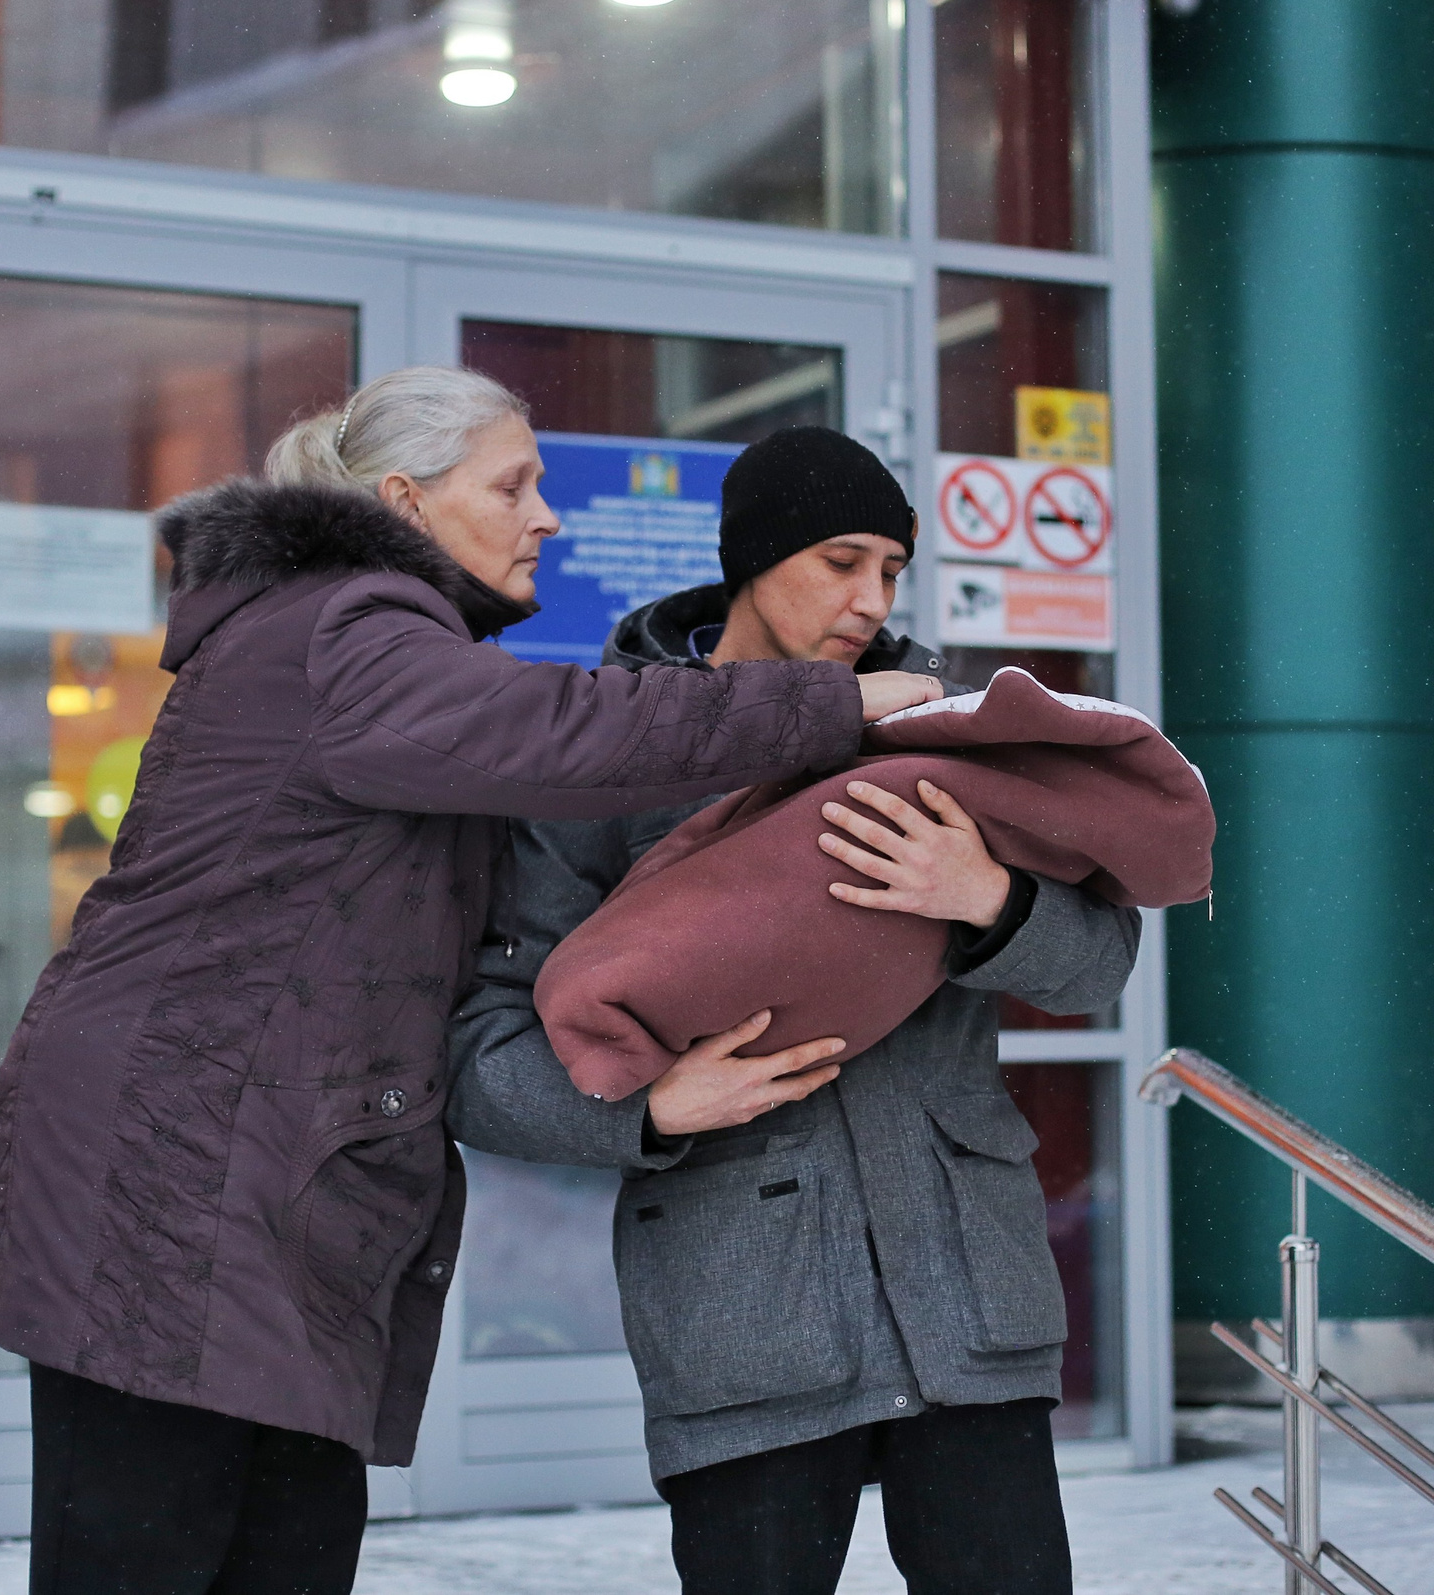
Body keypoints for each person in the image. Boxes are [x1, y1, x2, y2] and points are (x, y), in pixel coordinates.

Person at [0, 370, 945, 1595]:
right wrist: (823, 708)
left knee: (280, 1536)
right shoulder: (346, 628)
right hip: (177, 1160)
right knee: (154, 1543)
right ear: (404, 501)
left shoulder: (361, 637)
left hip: (254, 1159)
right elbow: (568, 735)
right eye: (513, 485)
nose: (547, 515)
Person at [448, 426, 1141, 1595]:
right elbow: (482, 1048)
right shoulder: (613, 752)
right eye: (839, 561)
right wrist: (653, 1109)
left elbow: (1099, 969)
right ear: (751, 563)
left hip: (966, 1296)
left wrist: (988, 899)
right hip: (743, 1313)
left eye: (891, 568)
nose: (871, 599)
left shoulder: (952, 731)